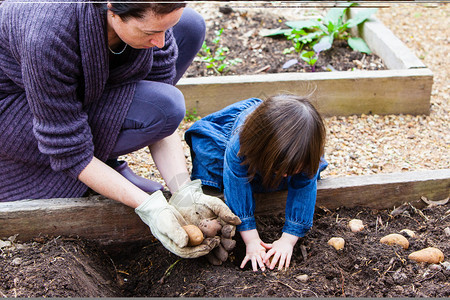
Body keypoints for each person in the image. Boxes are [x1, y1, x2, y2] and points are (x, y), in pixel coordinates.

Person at [0, 0, 240, 258]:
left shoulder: (151, 17)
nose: (160, 42)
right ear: (112, 9)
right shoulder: (48, 35)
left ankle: (105, 160)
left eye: (163, 31)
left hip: (81, 87)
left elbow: (160, 98)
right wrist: (151, 209)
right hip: (16, 109)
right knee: (165, 107)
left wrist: (184, 192)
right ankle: (100, 170)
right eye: (150, 33)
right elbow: (67, 147)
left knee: (190, 26)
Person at [185, 94, 328, 271]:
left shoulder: (307, 152)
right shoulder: (240, 146)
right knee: (217, 169)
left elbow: (305, 187)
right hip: (232, 141)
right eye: (279, 169)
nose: (284, 175)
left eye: (291, 170)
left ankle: (272, 174)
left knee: (301, 176)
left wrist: (288, 240)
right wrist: (251, 240)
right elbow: (236, 183)